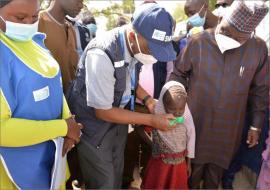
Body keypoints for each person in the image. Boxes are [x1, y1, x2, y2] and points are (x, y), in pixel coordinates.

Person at [67, 3, 177, 189]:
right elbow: (102, 111)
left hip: (117, 122)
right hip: (95, 127)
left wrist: (148, 100)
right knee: (104, 182)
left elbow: (128, 79)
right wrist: (152, 120)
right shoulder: (101, 55)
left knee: (117, 174)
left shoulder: (135, 46)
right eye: (152, 50)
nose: (154, 57)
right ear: (133, 36)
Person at [170, 0, 269, 189]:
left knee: (215, 175)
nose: (226, 37)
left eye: (235, 37)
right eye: (224, 31)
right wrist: (174, 100)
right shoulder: (199, 42)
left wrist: (256, 126)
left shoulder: (258, 49)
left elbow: (260, 91)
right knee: (191, 171)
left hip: (228, 127)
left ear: (247, 36)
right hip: (197, 121)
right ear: (223, 20)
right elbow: (178, 74)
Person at [0, 0, 83, 189]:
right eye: (20, 18)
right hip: (15, 171)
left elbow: (53, 83)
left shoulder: (35, 42)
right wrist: (62, 128)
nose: (29, 23)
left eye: (35, 16)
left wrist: (68, 120)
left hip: (51, 161)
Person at [142, 81, 195, 189]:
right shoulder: (157, 118)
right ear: (163, 104)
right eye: (172, 109)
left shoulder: (185, 120)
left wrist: (188, 162)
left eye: (181, 109)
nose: (177, 113)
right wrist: (154, 145)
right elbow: (140, 129)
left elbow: (191, 136)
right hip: (160, 166)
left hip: (179, 166)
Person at [38, 0, 83, 93]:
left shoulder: (71, 29)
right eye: (78, 1)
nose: (81, 6)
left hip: (68, 102)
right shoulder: (38, 22)